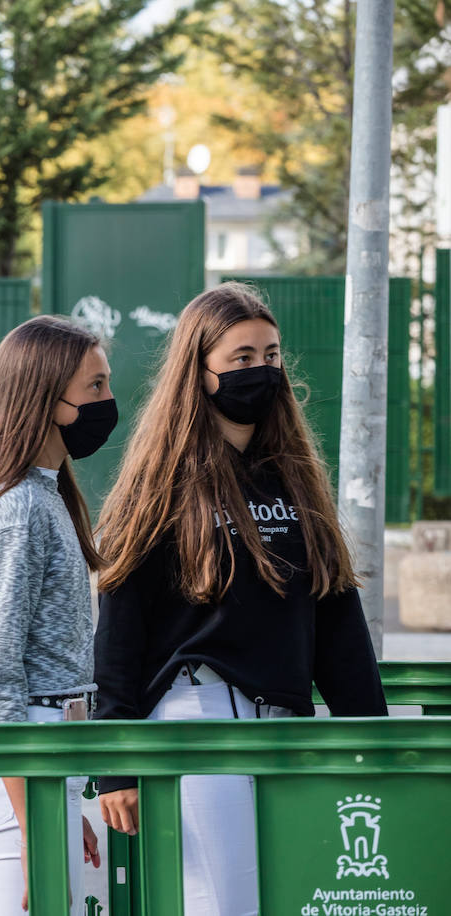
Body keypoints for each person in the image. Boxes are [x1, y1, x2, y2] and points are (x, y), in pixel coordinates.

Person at [92, 283, 387, 916]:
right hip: (197, 716)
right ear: (199, 373)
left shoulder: (295, 472)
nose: (263, 371)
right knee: (226, 904)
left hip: (284, 721)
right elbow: (119, 626)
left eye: (272, 355)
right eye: (242, 358)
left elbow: (336, 616)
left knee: (287, 896)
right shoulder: (162, 480)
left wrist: (374, 737)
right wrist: (115, 761)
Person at [0, 316, 110, 914]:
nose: (108, 402)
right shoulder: (19, 510)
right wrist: (33, 822)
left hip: (38, 756)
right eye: (95, 388)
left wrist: (59, 813)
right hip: (24, 749)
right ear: (47, 398)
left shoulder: (44, 494)